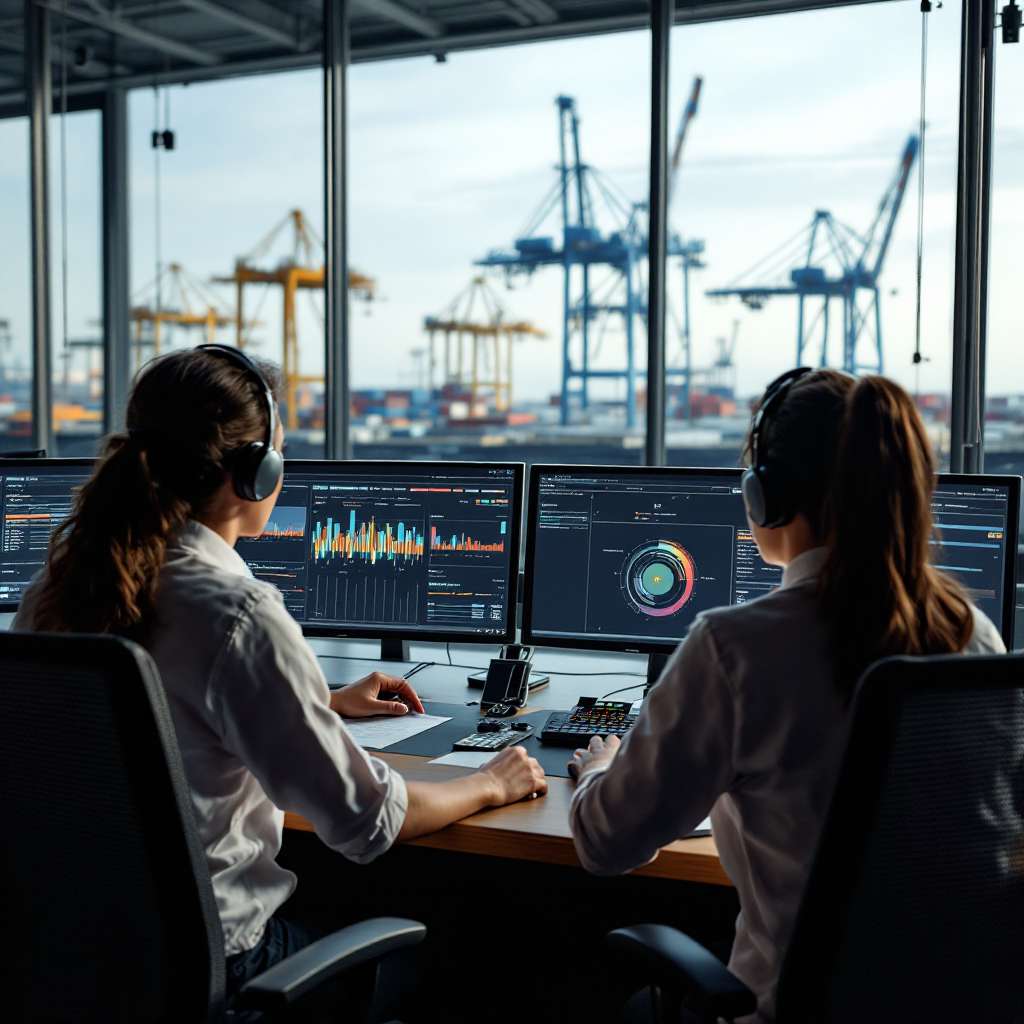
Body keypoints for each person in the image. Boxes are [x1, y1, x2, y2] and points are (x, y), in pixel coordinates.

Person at [14, 345, 546, 1006]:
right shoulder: (239, 613)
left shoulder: (57, 587)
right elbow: (370, 820)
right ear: (256, 473)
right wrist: (491, 782)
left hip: (72, 961)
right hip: (225, 969)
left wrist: (312, 702)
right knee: (489, 946)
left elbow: (145, 709)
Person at [566, 369, 1004, 1024]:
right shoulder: (976, 636)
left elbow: (605, 845)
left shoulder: (734, 649)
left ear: (764, 495)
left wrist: (600, 771)